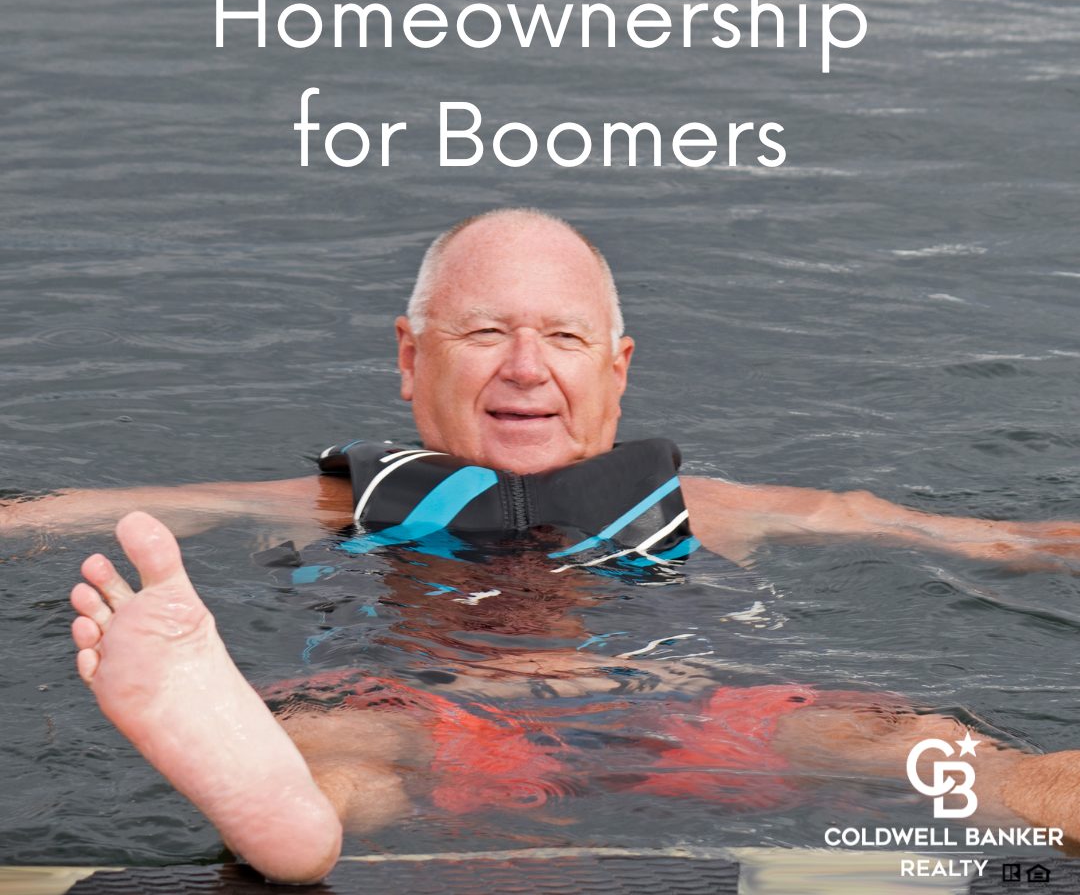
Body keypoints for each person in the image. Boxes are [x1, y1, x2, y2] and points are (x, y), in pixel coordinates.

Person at [5, 208, 1080, 883]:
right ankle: (284, 815)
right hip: (419, 709)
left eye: (562, 338)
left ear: (616, 368)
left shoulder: (720, 503)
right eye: (485, 334)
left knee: (906, 739)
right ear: (408, 356)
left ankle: (1059, 796)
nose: (527, 367)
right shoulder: (329, 504)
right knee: (337, 756)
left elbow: (984, 538)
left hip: (697, 710)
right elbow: (81, 507)